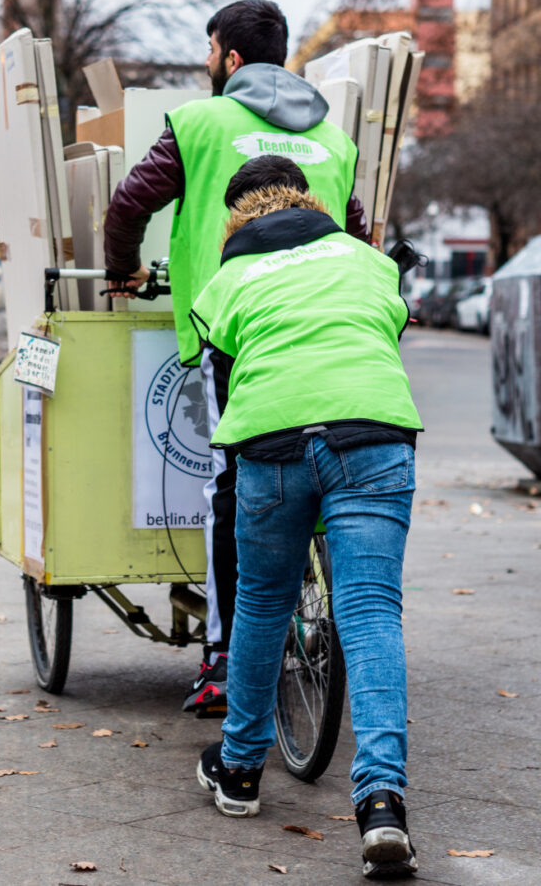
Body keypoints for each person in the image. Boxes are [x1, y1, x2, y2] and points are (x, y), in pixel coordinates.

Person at [104, 0, 368, 715]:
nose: (207, 62)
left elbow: (128, 207)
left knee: (234, 482)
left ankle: (222, 658)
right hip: (337, 325)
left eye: (209, 49)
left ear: (229, 56)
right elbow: (358, 237)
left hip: (237, 330)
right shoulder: (336, 141)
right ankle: (321, 626)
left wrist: (123, 271)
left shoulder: (198, 122)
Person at [191, 158, 421, 880]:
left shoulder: (228, 279)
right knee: (371, 610)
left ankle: (240, 771)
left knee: (262, 601)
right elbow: (386, 331)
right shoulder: (368, 261)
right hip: (372, 436)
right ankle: (381, 804)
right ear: (311, 202)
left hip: (273, 446)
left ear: (236, 219)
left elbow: (225, 370)